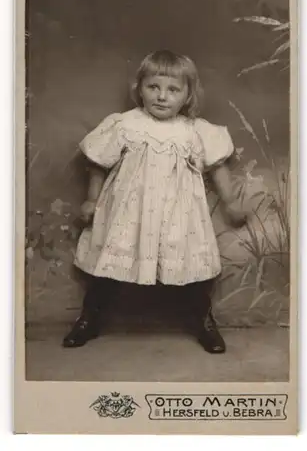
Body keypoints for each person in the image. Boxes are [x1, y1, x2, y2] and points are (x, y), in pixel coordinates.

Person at [63, 49, 247, 353]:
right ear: (140, 88)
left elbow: (218, 168)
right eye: (154, 87)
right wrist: (91, 200)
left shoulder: (194, 131)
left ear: (187, 96)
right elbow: (98, 163)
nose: (162, 96)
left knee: (192, 268)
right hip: (128, 212)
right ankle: (90, 319)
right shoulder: (124, 125)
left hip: (180, 213)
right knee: (108, 264)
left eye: (173, 90)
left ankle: (203, 321)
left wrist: (230, 201)